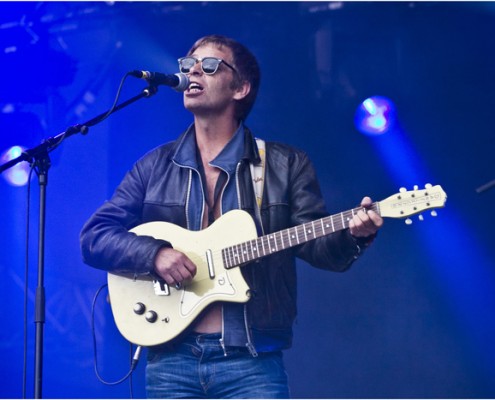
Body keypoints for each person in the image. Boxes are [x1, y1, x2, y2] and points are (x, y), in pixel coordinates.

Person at [80, 34, 383, 399]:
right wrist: (154, 254)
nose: (192, 71)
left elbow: (320, 249)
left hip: (251, 363)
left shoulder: (284, 165)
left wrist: (354, 235)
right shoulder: (154, 167)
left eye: (209, 65)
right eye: (187, 64)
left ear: (240, 87)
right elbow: (95, 236)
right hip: (170, 361)